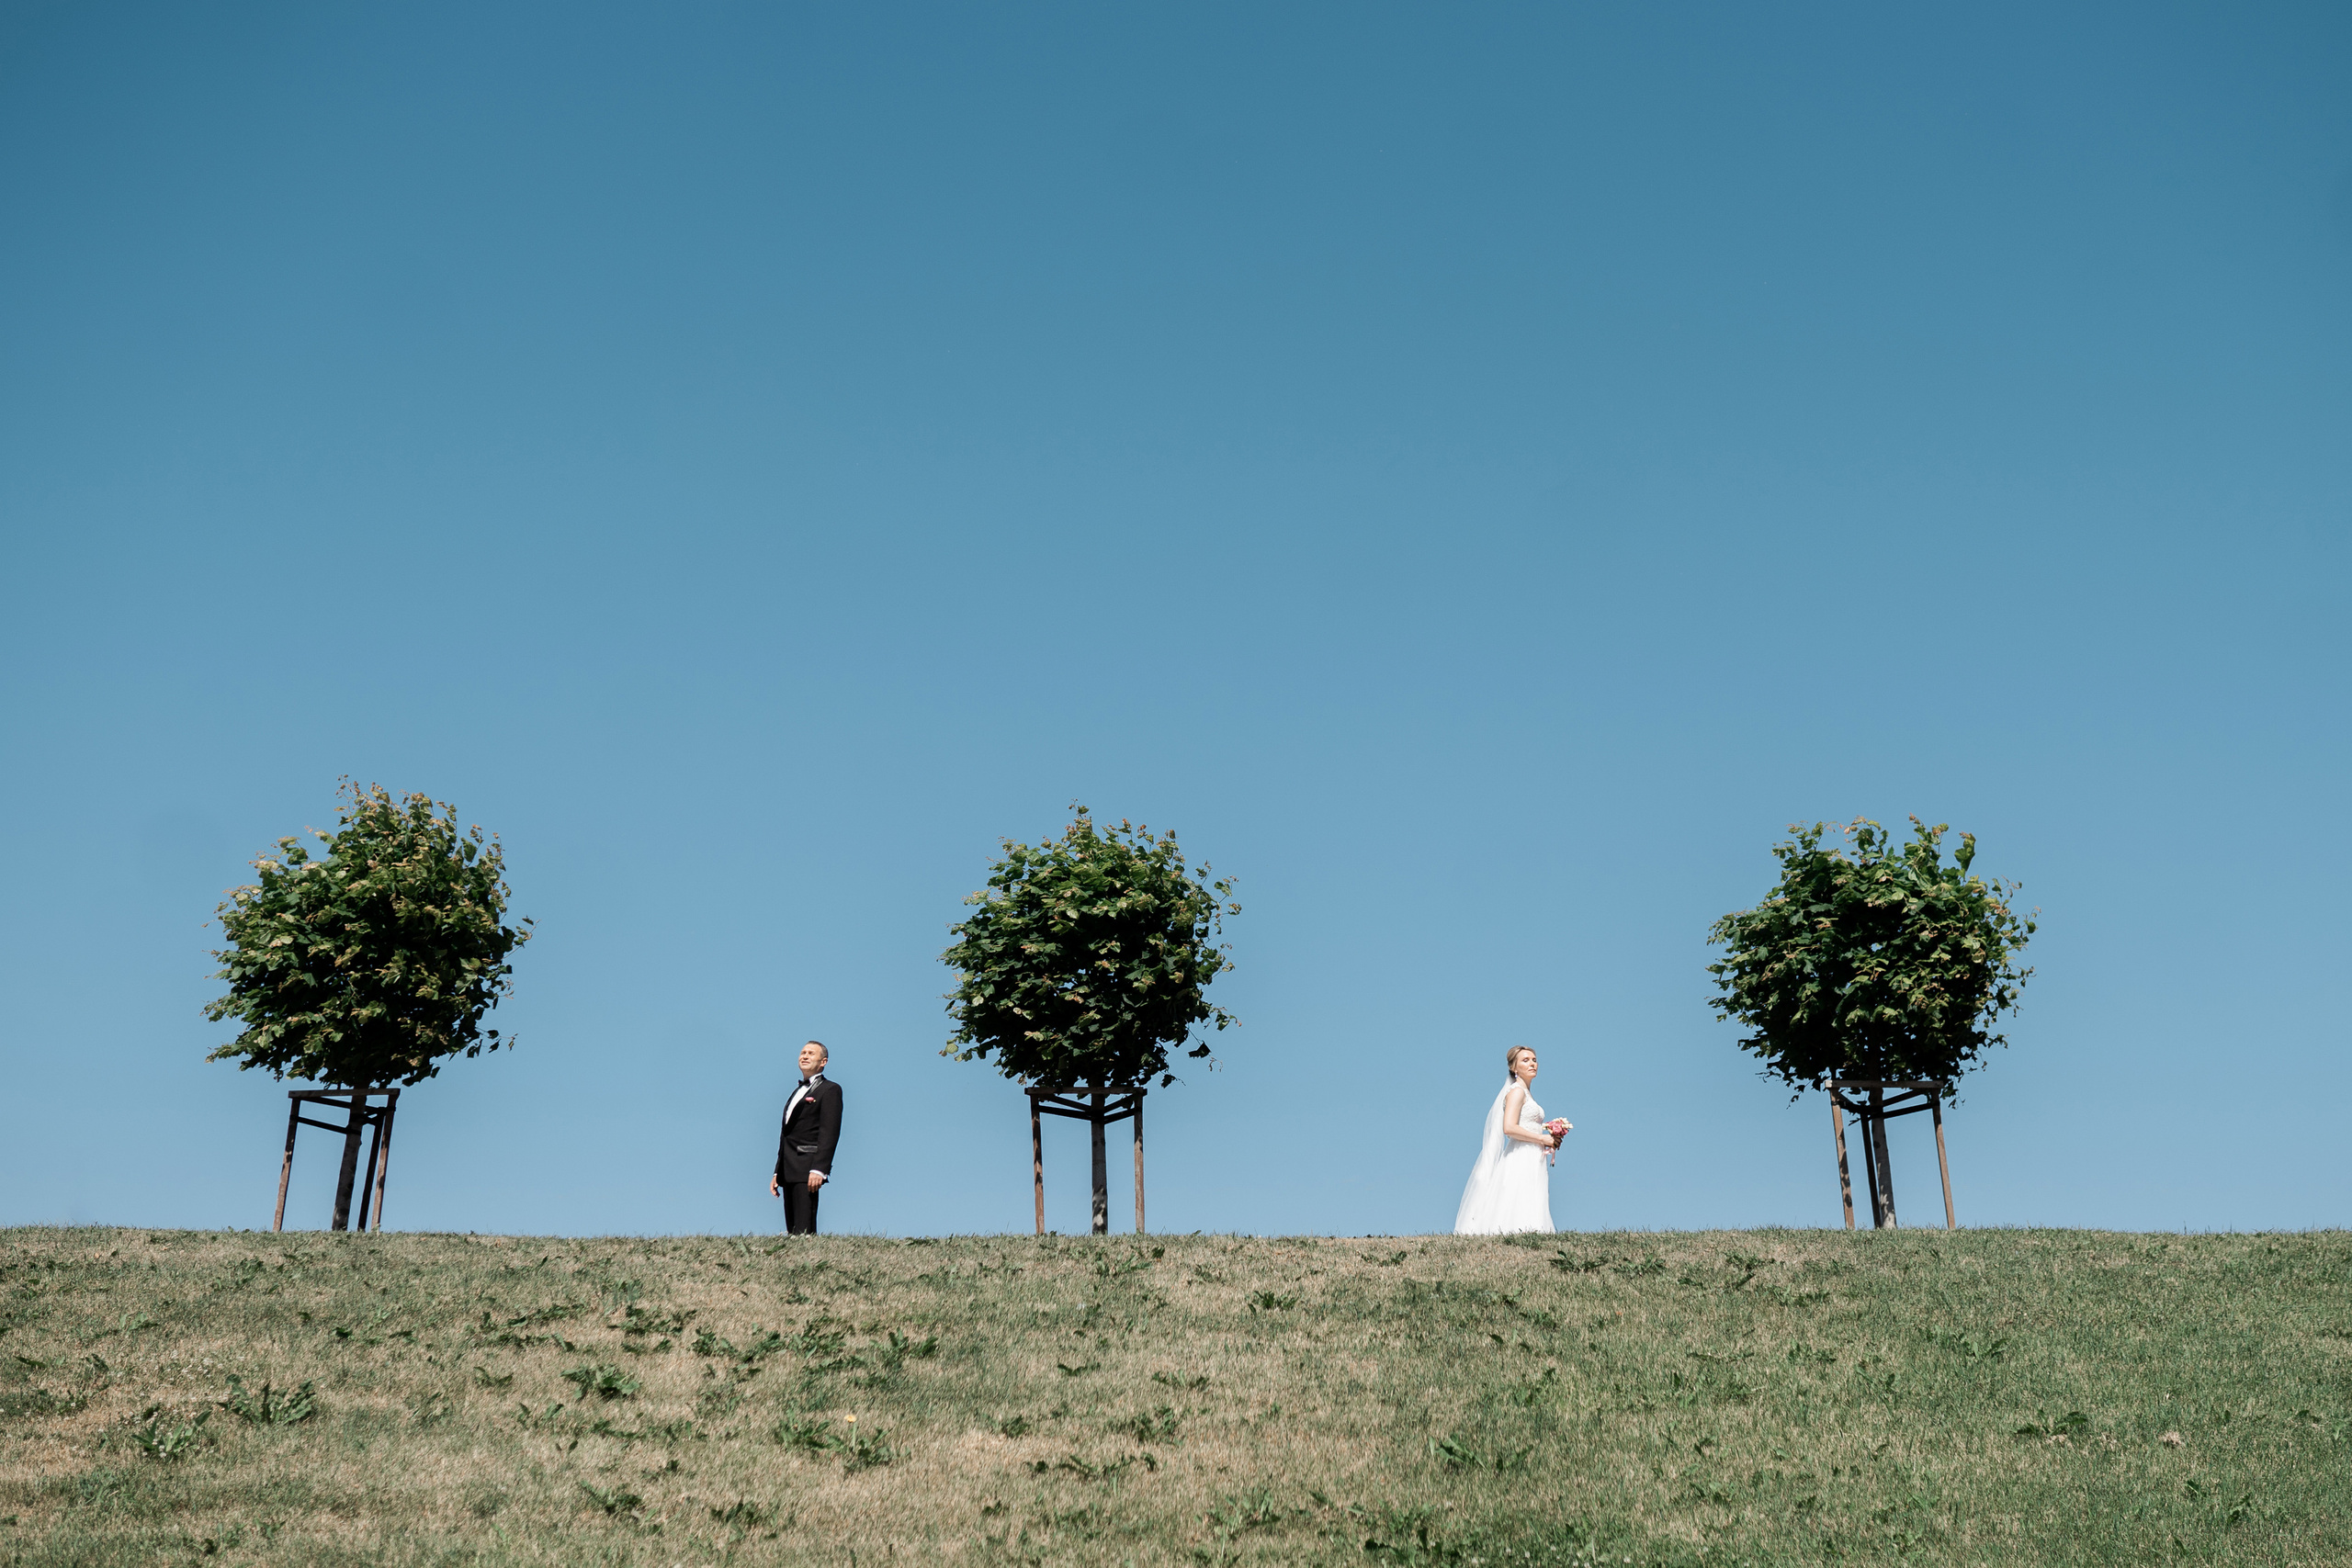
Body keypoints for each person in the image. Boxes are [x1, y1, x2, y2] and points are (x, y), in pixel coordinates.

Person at [1453, 1045, 1568, 1235]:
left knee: (1531, 1195)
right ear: (1514, 1068)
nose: (1532, 1063)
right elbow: (1509, 1128)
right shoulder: (1517, 1092)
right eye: (1525, 1060)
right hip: (1520, 1153)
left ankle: (1533, 1234)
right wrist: (1542, 1138)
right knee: (1519, 1194)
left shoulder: (1526, 1093)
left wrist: (1552, 1137)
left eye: (1534, 1059)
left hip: (1533, 1153)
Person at [770, 1040, 842, 1235]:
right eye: (803, 1052)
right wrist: (778, 1171)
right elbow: (786, 1135)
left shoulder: (830, 1090)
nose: (805, 1056)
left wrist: (819, 1169)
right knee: (792, 1228)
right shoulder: (796, 1092)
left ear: (823, 1061)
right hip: (788, 1167)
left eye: (811, 1053)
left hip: (808, 1165)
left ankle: (808, 1261)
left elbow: (830, 1132)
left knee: (805, 1228)